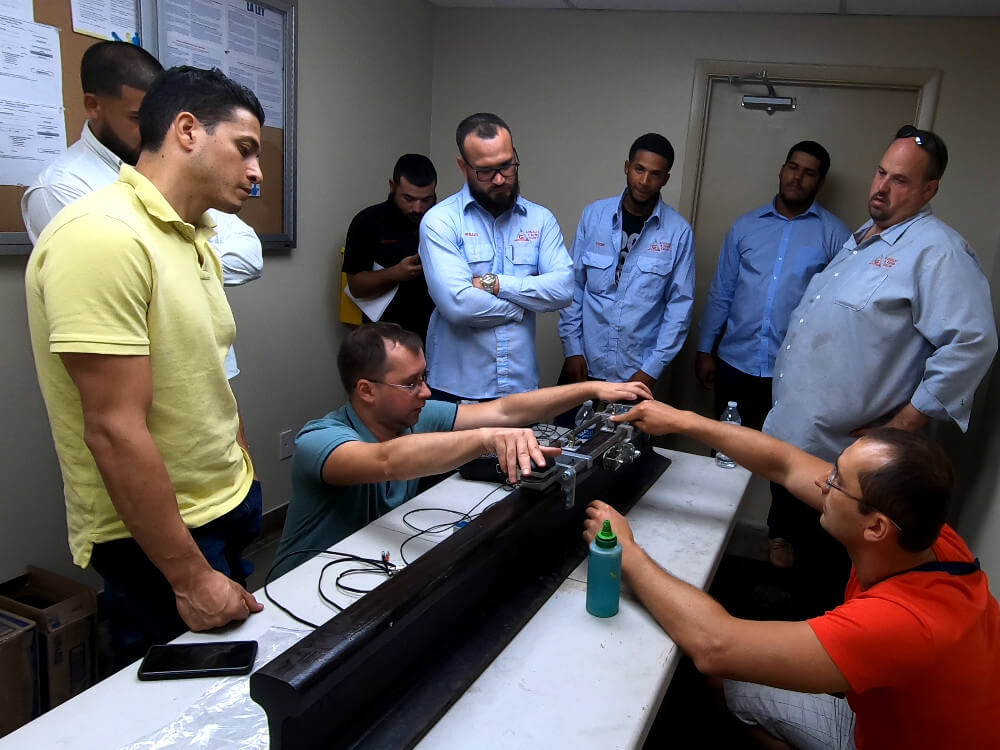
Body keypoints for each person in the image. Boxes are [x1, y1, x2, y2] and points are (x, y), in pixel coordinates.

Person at [586, 399, 1000, 750]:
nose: (823, 482)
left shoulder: (901, 623)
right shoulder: (924, 536)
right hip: (896, 722)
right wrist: (683, 420)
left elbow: (716, 644)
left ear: (875, 527)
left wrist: (627, 550)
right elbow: (785, 463)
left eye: (837, 481)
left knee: (715, 669)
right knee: (727, 685)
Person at [26, 66, 266, 667]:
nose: (258, 172)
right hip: (163, 539)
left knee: (235, 689)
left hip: (225, 503)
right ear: (187, 130)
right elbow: (114, 428)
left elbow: (207, 371)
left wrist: (243, 471)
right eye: (245, 150)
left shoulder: (193, 234)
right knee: (172, 712)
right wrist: (188, 575)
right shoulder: (102, 235)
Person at [761, 126, 997, 608]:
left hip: (846, 466)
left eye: (901, 180)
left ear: (930, 189)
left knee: (829, 585)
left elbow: (972, 343)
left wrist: (904, 425)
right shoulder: (864, 239)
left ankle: (819, 676)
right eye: (881, 173)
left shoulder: (938, 251)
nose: (882, 188)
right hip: (798, 442)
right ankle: (791, 657)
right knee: (801, 567)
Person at [273, 322, 651, 575]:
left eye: (425, 377)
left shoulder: (413, 415)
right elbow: (385, 461)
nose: (425, 392)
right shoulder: (318, 441)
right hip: (303, 584)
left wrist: (589, 389)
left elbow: (505, 409)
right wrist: (487, 438)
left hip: (368, 567)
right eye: (410, 383)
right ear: (366, 390)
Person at [22, 41, 263, 384]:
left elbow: (250, 252)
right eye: (139, 118)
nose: (155, 132)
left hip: (203, 379)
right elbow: (115, 421)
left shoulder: (180, 175)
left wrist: (169, 260)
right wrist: (187, 255)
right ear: (94, 106)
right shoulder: (65, 192)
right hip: (144, 388)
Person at [695, 141, 850, 568]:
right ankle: (711, 529)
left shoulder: (836, 236)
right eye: (793, 167)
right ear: (782, 170)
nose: (798, 178)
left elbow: (838, 307)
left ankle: (781, 536)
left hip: (796, 374)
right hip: (736, 362)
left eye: (810, 172)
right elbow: (723, 292)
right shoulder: (744, 228)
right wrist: (706, 348)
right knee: (725, 449)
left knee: (791, 460)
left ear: (819, 181)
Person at [418, 112, 573, 401]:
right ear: (463, 167)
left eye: (507, 165)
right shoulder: (440, 221)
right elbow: (458, 304)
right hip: (456, 391)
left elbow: (564, 289)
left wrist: (496, 284)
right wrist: (523, 308)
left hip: (520, 388)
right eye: (486, 171)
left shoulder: (540, 220)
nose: (501, 179)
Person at [558, 133, 695, 391]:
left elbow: (679, 309)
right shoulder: (594, 216)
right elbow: (573, 286)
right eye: (639, 169)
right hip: (583, 365)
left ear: (665, 180)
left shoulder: (678, 232)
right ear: (627, 167)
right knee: (563, 432)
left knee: (625, 434)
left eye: (655, 174)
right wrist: (572, 349)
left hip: (635, 373)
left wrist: (651, 370)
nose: (644, 181)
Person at [343, 154, 438, 341]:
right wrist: (396, 273)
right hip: (384, 336)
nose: (417, 208)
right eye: (409, 198)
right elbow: (356, 286)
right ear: (392, 187)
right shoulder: (368, 221)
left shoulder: (443, 221)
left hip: (437, 333)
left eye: (426, 199)